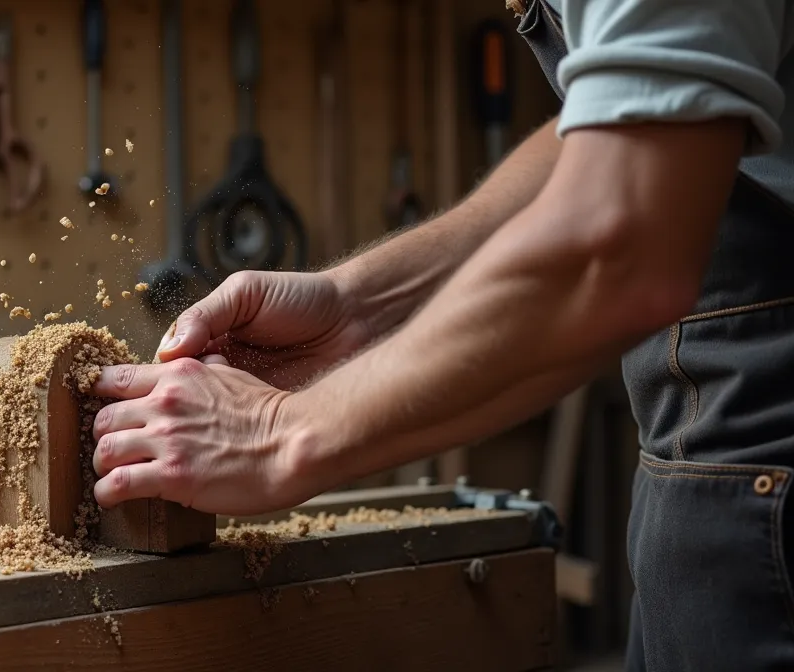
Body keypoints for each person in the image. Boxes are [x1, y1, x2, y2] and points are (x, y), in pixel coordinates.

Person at [86, 1, 794, 669]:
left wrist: (279, 430)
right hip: (698, 465)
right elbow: (613, 123)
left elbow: (626, 235)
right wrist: (361, 304)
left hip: (767, 468)